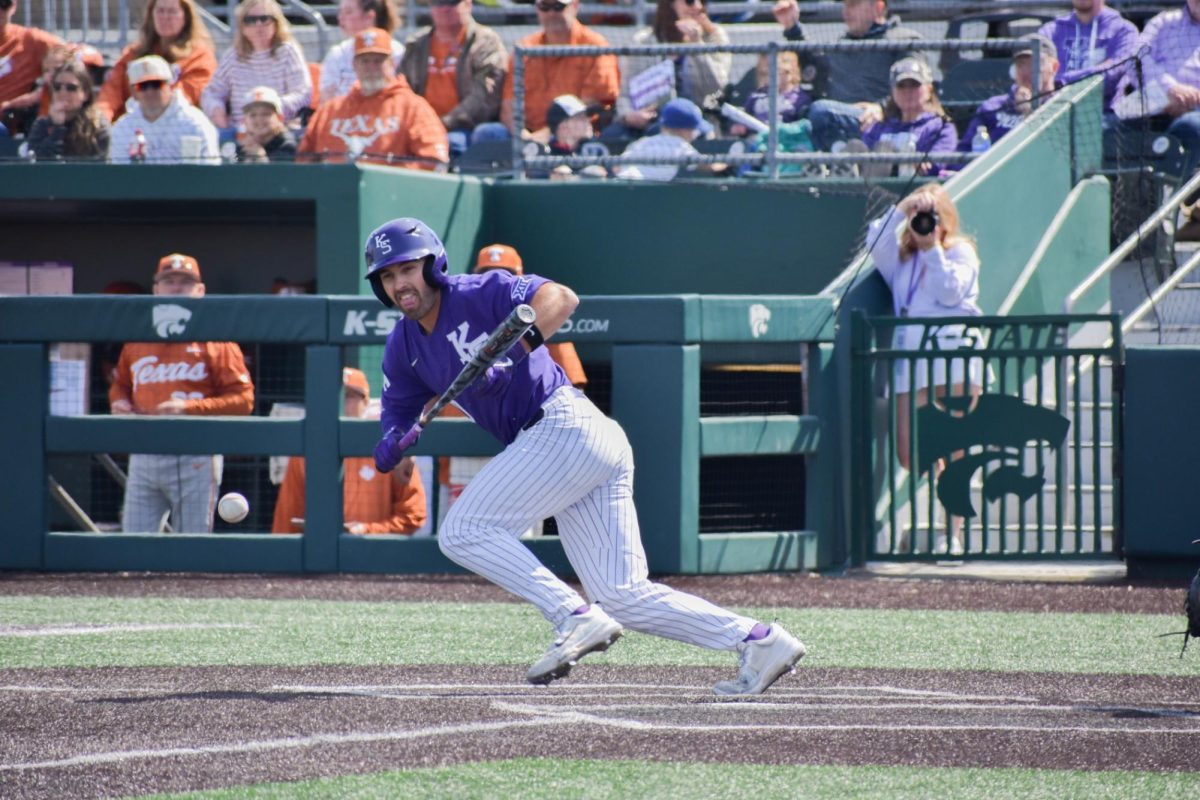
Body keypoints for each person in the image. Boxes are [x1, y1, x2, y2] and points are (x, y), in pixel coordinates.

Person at [363, 217, 806, 695]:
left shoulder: (479, 290)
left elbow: (561, 299)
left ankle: (572, 615)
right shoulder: (402, 345)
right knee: (625, 597)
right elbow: (400, 411)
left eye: (407, 269)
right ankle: (759, 640)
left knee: (463, 531)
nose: (399, 284)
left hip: (562, 423)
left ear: (433, 265)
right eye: (387, 277)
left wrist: (509, 357)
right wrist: (392, 440)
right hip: (567, 445)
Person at [866, 184, 983, 556]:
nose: (923, 223)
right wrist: (902, 208)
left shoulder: (960, 252)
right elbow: (874, 242)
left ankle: (953, 533)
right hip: (912, 364)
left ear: (944, 220)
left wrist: (933, 248)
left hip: (955, 360)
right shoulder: (900, 259)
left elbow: (951, 292)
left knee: (957, 450)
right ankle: (947, 492)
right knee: (909, 452)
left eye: (930, 216)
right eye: (921, 217)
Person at [438, 242, 590, 525]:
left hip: (524, 447)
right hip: (466, 449)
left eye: (505, 273)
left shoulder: (543, 317)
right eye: (488, 272)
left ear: (519, 275)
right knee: (460, 541)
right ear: (476, 275)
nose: (496, 279)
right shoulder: (456, 320)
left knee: (520, 540)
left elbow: (574, 387)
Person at [109, 253, 255, 533]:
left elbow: (243, 400)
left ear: (200, 291)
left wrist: (187, 408)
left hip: (196, 453)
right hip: (144, 449)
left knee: (192, 545)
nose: (176, 287)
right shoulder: (138, 339)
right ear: (156, 290)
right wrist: (119, 401)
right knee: (133, 545)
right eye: (169, 281)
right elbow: (120, 383)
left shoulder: (216, 339)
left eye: (185, 282)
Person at [272, 367, 427, 535]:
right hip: (322, 552)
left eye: (350, 396)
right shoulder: (304, 455)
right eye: (333, 396)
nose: (341, 404)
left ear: (366, 402)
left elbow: (413, 514)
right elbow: (287, 518)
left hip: (373, 553)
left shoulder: (388, 446)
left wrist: (367, 530)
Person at [773, 0, 921, 151]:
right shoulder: (840, 45)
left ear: (878, 7)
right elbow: (814, 63)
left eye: (853, 4)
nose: (846, 11)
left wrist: (882, 108)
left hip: (880, 123)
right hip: (834, 120)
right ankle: (845, 160)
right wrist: (792, 27)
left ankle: (845, 161)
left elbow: (916, 85)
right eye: (845, 5)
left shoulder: (904, 40)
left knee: (820, 111)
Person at [298, 28, 449, 169]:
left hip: (392, 193)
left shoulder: (413, 107)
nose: (371, 67)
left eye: (378, 61)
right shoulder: (330, 110)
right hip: (333, 192)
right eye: (365, 61)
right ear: (354, 65)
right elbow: (304, 161)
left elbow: (434, 160)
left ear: (391, 64)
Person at [1110, 0, 1200, 213]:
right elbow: (1134, 59)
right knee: (1107, 128)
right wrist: (1170, 89)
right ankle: (1116, 207)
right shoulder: (1164, 21)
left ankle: (1161, 210)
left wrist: (1190, 99)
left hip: (1196, 108)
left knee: (1188, 129)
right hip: (1155, 96)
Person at [493, 0, 620, 143]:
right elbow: (509, 104)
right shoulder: (524, 47)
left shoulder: (596, 46)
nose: (551, 13)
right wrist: (523, 135)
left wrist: (548, 133)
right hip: (525, 136)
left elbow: (592, 103)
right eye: (544, 7)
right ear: (537, 9)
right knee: (489, 133)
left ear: (575, 6)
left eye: (558, 6)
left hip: (574, 135)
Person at [398, 0, 507, 157]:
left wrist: (445, 122)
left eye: (452, 2)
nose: (444, 8)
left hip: (464, 127)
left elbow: (484, 95)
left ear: (468, 4)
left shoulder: (485, 42)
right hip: (420, 125)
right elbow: (401, 89)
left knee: (452, 144)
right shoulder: (416, 44)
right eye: (438, 3)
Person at [608, 0, 730, 140]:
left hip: (697, 118)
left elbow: (715, 88)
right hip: (652, 119)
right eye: (689, 1)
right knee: (612, 136)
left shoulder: (714, 37)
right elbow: (625, 94)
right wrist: (628, 115)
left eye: (702, 1)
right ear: (670, 4)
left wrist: (697, 46)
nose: (698, 6)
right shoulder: (643, 41)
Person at [96, 0, 217, 123]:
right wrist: (101, 121)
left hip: (177, 127)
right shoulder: (133, 53)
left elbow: (181, 100)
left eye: (172, 12)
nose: (165, 17)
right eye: (160, 11)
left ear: (186, 17)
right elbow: (111, 92)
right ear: (151, 15)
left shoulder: (200, 57)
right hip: (130, 129)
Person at [200, 0, 311, 134]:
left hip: (279, 132)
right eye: (250, 20)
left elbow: (303, 93)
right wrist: (217, 111)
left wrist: (269, 110)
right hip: (241, 133)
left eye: (265, 19)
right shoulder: (233, 56)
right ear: (242, 27)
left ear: (276, 23)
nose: (258, 25)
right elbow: (211, 93)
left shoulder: (288, 52)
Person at [957, 34, 1060, 160]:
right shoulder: (992, 107)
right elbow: (962, 154)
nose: (1026, 71)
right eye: (1021, 64)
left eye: (1034, 64)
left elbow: (1056, 153)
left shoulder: (1061, 106)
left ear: (1054, 67)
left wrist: (1030, 112)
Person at [108, 55, 220, 164]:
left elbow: (210, 171)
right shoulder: (122, 128)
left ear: (171, 85)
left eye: (156, 84)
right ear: (133, 92)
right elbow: (120, 175)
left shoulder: (194, 123)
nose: (150, 91)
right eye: (142, 86)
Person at [858, 57, 958, 176]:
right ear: (892, 91)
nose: (907, 91)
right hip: (867, 186)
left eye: (914, 85)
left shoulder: (941, 127)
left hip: (914, 188)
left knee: (884, 148)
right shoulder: (878, 126)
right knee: (854, 147)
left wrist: (919, 163)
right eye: (901, 86)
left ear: (929, 89)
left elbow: (936, 164)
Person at [1038, 0, 1137, 110]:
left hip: (1106, 116)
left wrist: (1061, 82)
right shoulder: (1050, 31)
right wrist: (1099, 68)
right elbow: (1037, 74)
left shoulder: (1124, 30)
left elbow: (1111, 75)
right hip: (1054, 112)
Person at [0, 0, 65, 135]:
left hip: (8, 125)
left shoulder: (31, 40)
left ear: (13, 6)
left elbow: (76, 53)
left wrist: (51, 78)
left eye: (4, 3)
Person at [26, 58, 111, 161]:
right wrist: (57, 128)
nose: (63, 92)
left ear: (85, 94)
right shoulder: (42, 125)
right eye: (57, 87)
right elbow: (38, 164)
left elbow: (96, 167)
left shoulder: (97, 126)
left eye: (71, 88)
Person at [320, 0, 404, 100]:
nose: (340, 18)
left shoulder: (397, 52)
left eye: (348, 12)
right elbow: (326, 100)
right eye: (364, 61)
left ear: (369, 17)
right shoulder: (338, 53)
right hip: (346, 113)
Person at [615, 96, 712, 181]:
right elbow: (708, 166)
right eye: (693, 130)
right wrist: (725, 165)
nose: (695, 134)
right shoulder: (680, 146)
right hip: (642, 193)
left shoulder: (643, 142)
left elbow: (617, 166)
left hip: (621, 187)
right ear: (684, 130)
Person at [730, 51, 811, 136]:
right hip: (756, 140)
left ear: (789, 72)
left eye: (773, 72)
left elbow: (803, 127)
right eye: (764, 74)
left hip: (785, 141)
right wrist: (741, 128)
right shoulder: (755, 97)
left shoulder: (799, 98)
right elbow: (744, 119)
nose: (768, 78)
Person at [235, 86, 297, 162]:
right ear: (244, 121)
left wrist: (260, 158)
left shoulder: (287, 145)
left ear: (280, 118)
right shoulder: (242, 146)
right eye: (253, 115)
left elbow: (282, 173)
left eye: (266, 114)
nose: (259, 119)